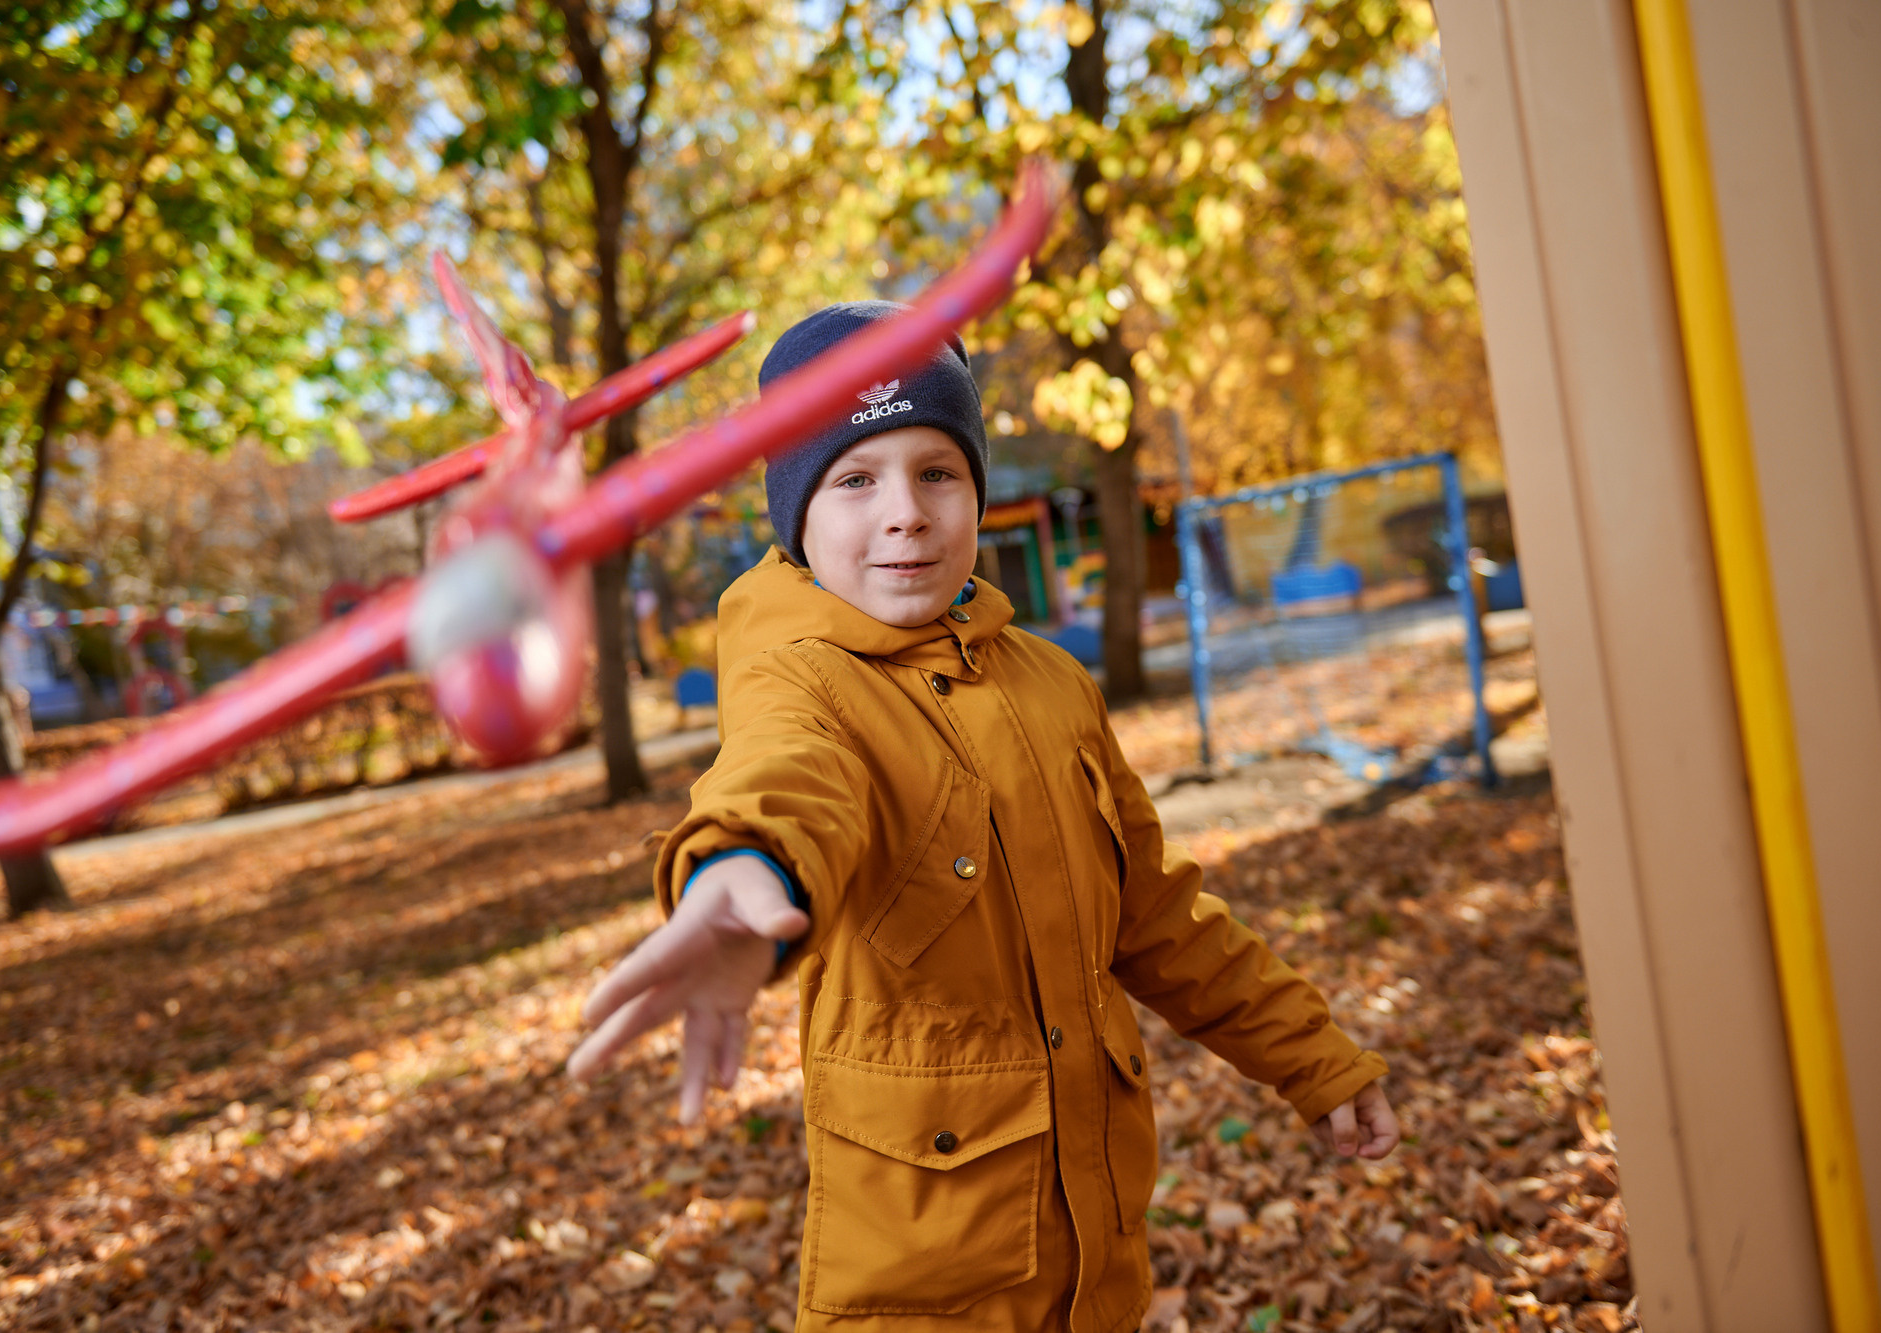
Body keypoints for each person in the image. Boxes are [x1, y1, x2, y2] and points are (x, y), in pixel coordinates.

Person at [566, 301, 1399, 1332]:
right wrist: (742, 878)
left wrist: (1310, 1056)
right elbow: (785, 780)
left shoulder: (1048, 682)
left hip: (1094, 1262)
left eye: (937, 472)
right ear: (795, 514)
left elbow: (1155, 915)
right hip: (924, 1280)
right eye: (855, 479)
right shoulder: (801, 679)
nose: (905, 511)